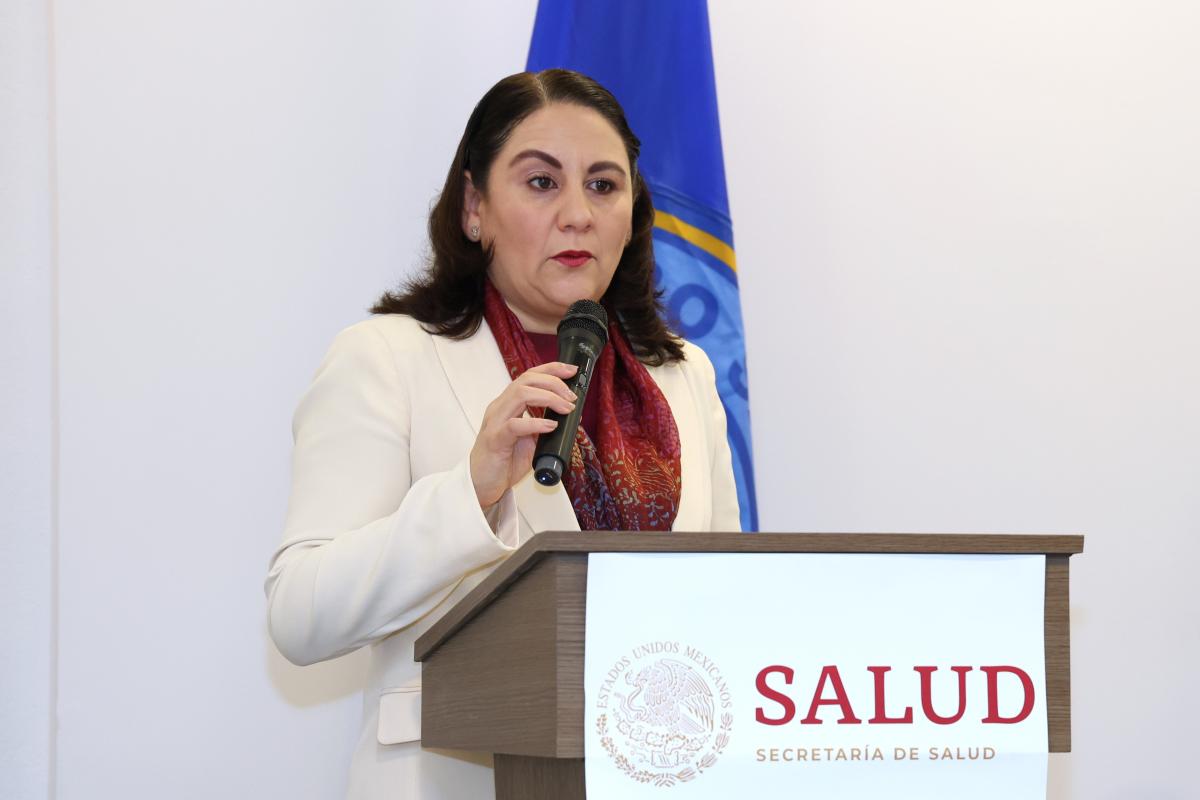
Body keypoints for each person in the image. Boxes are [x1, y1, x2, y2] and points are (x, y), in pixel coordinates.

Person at [264, 68, 740, 800]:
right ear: (474, 208)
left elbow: (727, 597)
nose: (577, 214)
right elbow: (301, 616)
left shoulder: (683, 374)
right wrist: (471, 493)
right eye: (542, 182)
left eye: (604, 185)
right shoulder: (388, 358)